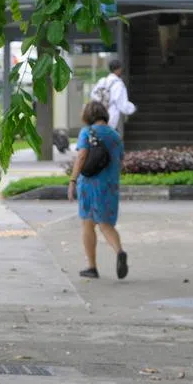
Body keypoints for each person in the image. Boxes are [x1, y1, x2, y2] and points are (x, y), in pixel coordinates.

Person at [68, 99, 127, 281]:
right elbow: (120, 160)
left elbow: (82, 155)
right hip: (110, 185)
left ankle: (92, 267)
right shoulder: (115, 135)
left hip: (90, 184)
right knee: (106, 224)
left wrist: (72, 180)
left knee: (87, 223)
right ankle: (119, 252)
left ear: (88, 116)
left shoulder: (87, 132)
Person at [90, 57, 136, 134]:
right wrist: (133, 108)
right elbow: (122, 104)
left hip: (98, 115)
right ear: (118, 69)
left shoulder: (102, 81)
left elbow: (93, 95)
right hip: (111, 118)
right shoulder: (119, 84)